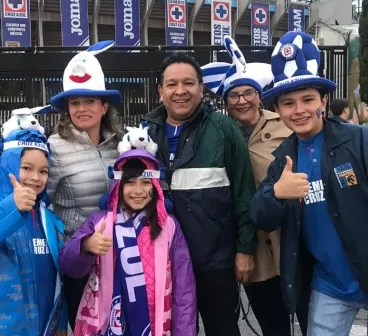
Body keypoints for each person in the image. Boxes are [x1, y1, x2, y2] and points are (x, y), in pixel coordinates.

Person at [250, 31, 368, 336]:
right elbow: (259, 214)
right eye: (288, 103)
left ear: (324, 100)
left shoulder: (362, 142)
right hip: (328, 287)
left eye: (308, 99)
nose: (299, 110)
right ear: (278, 110)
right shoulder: (283, 159)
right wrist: (277, 194)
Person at [201, 35, 309, 336]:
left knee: (314, 321)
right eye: (233, 95)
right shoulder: (217, 134)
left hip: (292, 242)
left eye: (248, 93)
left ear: (259, 96)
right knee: (273, 324)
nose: (242, 100)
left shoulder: (284, 124)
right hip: (252, 248)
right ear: (225, 101)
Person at [142, 53, 257, 336]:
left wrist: (245, 249)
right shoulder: (145, 134)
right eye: (171, 84)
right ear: (160, 91)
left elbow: (245, 190)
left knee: (223, 329)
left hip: (215, 260)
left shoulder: (223, 128)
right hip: (162, 261)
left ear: (201, 89)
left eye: (188, 83)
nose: (180, 91)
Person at [58, 129, 196, 336]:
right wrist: (85, 246)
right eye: (130, 182)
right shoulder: (100, 223)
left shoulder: (169, 226)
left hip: (155, 321)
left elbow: (184, 288)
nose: (138, 191)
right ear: (117, 186)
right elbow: (69, 267)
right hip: (108, 322)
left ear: (156, 186)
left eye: (146, 182)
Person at [0, 126, 67, 335]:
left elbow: (57, 277)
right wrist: (11, 208)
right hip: (5, 327)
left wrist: (60, 321)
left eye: (43, 171)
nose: (36, 177)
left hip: (45, 325)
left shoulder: (46, 215)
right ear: (9, 163)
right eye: (26, 168)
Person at [47, 40, 124, 329]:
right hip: (77, 262)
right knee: (86, 328)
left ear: (104, 106)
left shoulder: (122, 144)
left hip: (119, 256)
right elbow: (41, 206)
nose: (81, 109)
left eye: (89, 101)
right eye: (74, 102)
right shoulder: (53, 148)